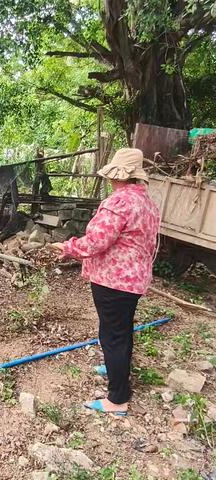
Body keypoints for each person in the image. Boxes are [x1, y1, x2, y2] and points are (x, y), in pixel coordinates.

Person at [49, 148, 160, 415]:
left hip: (114, 280)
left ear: (119, 175)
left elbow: (97, 241)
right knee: (122, 331)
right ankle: (117, 369)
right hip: (134, 279)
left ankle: (117, 399)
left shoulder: (119, 202)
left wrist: (68, 247)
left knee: (112, 336)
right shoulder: (146, 201)